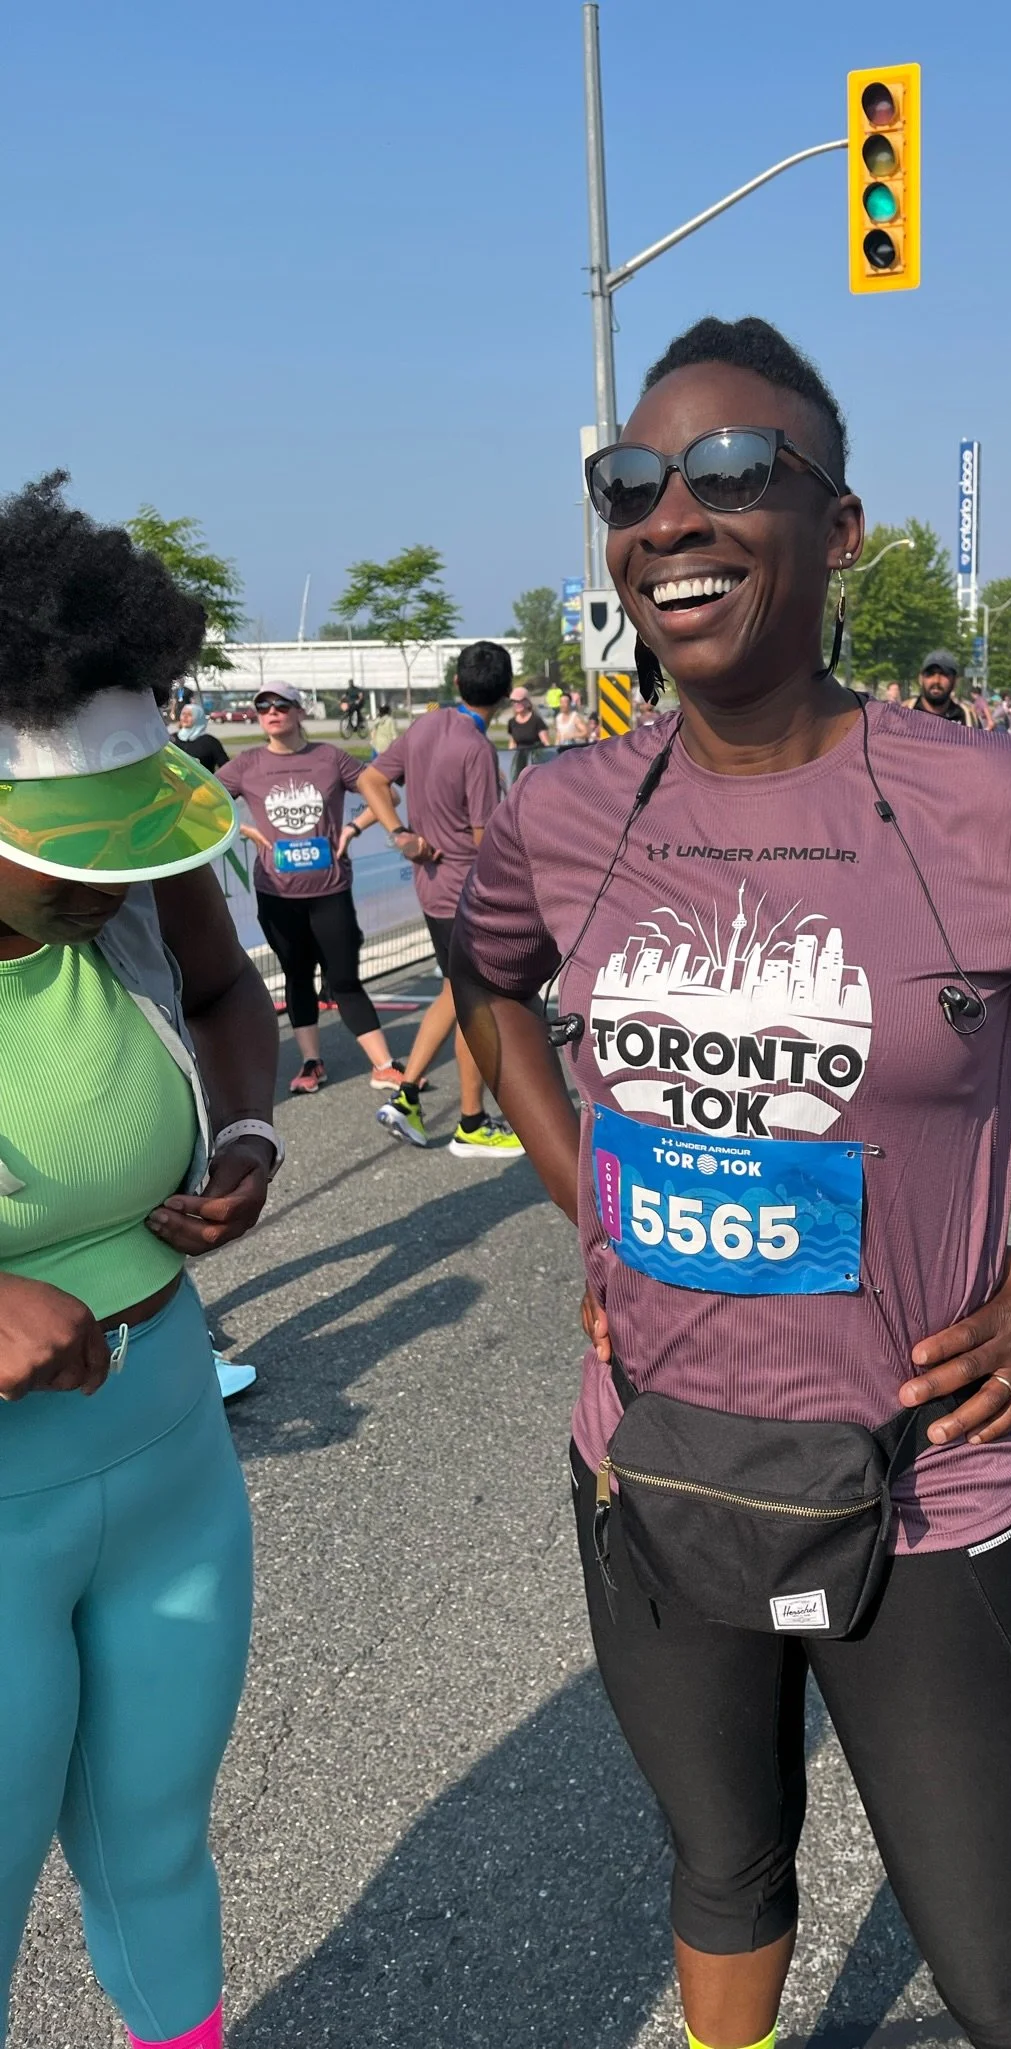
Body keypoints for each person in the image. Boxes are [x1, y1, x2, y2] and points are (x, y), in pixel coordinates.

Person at [452, 313, 1011, 2049]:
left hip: (922, 1491)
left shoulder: (991, 802)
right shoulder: (566, 803)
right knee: (724, 1866)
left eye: (738, 470)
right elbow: (488, 981)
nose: (670, 514)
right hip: (650, 1466)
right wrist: (584, 1196)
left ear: (840, 530)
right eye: (632, 482)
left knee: (998, 1963)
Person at [0, 474, 280, 2049]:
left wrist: (244, 1139)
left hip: (169, 1457)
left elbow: (230, 994)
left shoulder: (120, 878)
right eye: (63, 854)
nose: (110, 879)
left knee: (159, 1851)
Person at [358, 642, 525, 1160]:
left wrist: (401, 833)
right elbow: (484, 839)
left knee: (455, 994)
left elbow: (369, 778)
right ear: (503, 691)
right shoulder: (477, 749)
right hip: (467, 893)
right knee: (476, 1007)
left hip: (432, 891)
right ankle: (470, 1122)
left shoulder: (425, 727)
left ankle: (408, 1096)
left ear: (456, 684)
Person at [216, 680, 404, 1095]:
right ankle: (310, 1063)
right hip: (277, 894)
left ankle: (384, 1065)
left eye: (281, 704)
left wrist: (353, 828)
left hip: (329, 889)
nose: (271, 711)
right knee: (297, 976)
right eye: (262, 705)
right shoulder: (247, 764)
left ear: (301, 711)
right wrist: (241, 828)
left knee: (344, 978)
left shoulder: (329, 758)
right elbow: (200, 801)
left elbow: (384, 792)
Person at [910, 649, 977, 724]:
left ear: (955, 681)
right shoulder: (904, 713)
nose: (936, 681)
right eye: (930, 674)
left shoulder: (967, 718)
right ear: (920, 679)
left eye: (944, 674)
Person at [171, 699, 229, 776]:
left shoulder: (210, 741)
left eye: (189, 715)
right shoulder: (172, 739)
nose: (185, 717)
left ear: (198, 718)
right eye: (183, 714)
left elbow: (226, 767)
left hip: (203, 786)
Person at [507, 685, 552, 776]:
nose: (517, 704)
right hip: (519, 760)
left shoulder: (536, 720)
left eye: (520, 701)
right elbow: (513, 742)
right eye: (515, 702)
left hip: (535, 759)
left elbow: (546, 743)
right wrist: (510, 756)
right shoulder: (512, 722)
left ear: (528, 702)